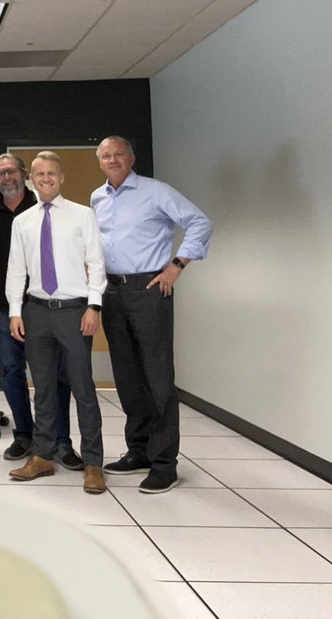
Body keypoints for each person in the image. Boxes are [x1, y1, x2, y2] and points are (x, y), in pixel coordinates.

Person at [91, 136, 213, 494]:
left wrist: (176, 265)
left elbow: (200, 223)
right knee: (127, 377)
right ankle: (139, 450)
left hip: (149, 289)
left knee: (157, 376)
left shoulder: (156, 191)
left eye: (118, 155)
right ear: (100, 162)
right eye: (106, 156)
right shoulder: (97, 198)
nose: (113, 160)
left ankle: (164, 463)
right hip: (112, 291)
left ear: (131, 158)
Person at [5, 152, 107, 495]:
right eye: (39, 173)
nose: (45, 178)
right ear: (31, 178)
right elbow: (16, 269)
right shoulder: (24, 221)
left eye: (51, 173)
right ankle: (43, 455)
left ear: (61, 177)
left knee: (82, 387)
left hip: (75, 312)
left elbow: (96, 262)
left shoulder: (82, 215)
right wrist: (16, 311)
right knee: (43, 388)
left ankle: (93, 462)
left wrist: (94, 306)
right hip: (36, 313)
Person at [0, 153, 82, 469]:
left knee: (54, 374)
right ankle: (24, 434)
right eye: (0, 172)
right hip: (4, 304)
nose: (6, 177)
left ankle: (61, 441)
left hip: (43, 303)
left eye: (11, 171)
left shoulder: (41, 206)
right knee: (11, 371)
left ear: (24, 175)